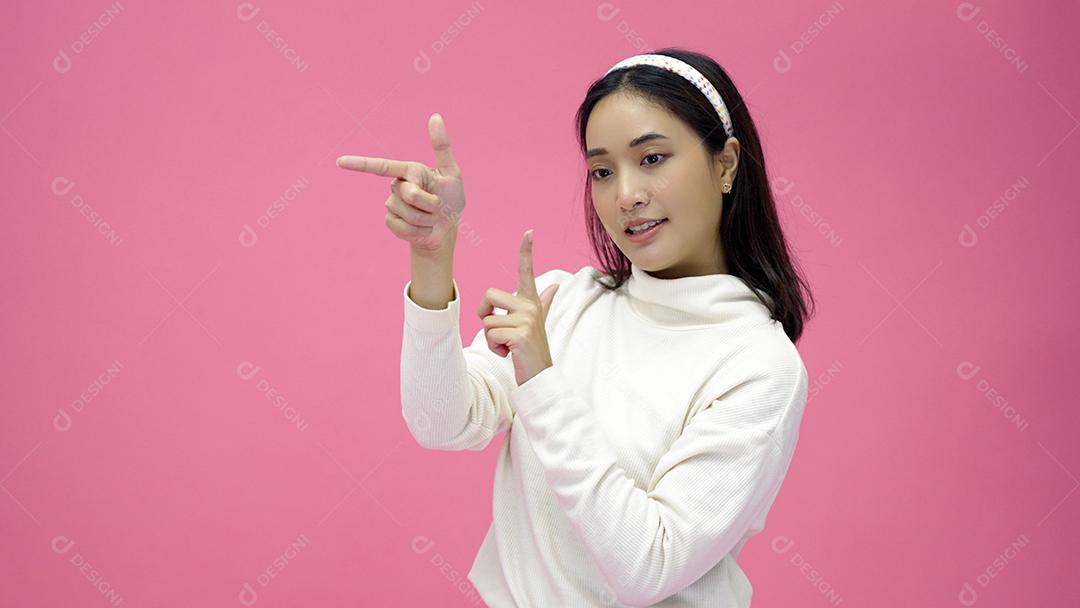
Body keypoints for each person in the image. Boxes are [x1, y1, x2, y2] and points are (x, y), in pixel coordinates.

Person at [337, 47, 816, 608]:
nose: (626, 195)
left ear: (726, 163)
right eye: (602, 170)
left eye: (654, 158)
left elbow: (647, 565)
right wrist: (432, 254)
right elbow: (439, 423)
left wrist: (542, 379)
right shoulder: (564, 302)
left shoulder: (759, 366)